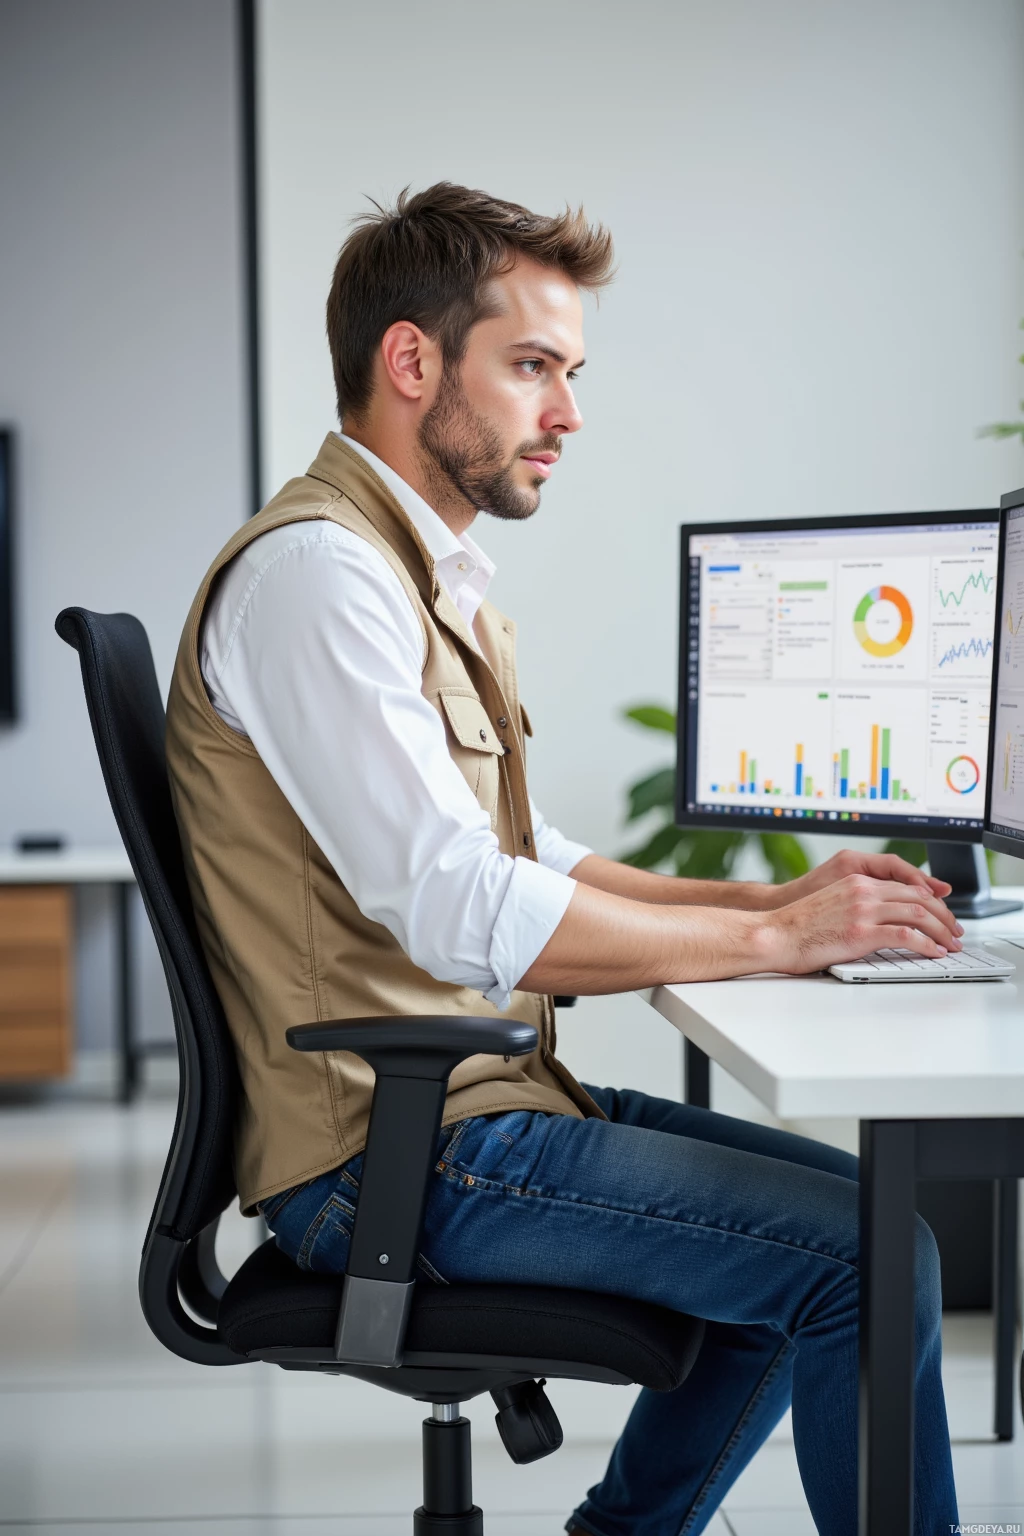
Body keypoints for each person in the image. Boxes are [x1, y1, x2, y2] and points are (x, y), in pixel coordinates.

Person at [165, 183, 959, 1534]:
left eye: (570, 372)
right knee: (861, 1262)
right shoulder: (322, 578)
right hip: (388, 1156)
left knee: (870, 1227)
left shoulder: (408, 573)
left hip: (469, 1109)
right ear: (412, 363)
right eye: (534, 368)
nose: (569, 413)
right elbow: (461, 905)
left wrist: (771, 899)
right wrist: (777, 942)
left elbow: (528, 852)